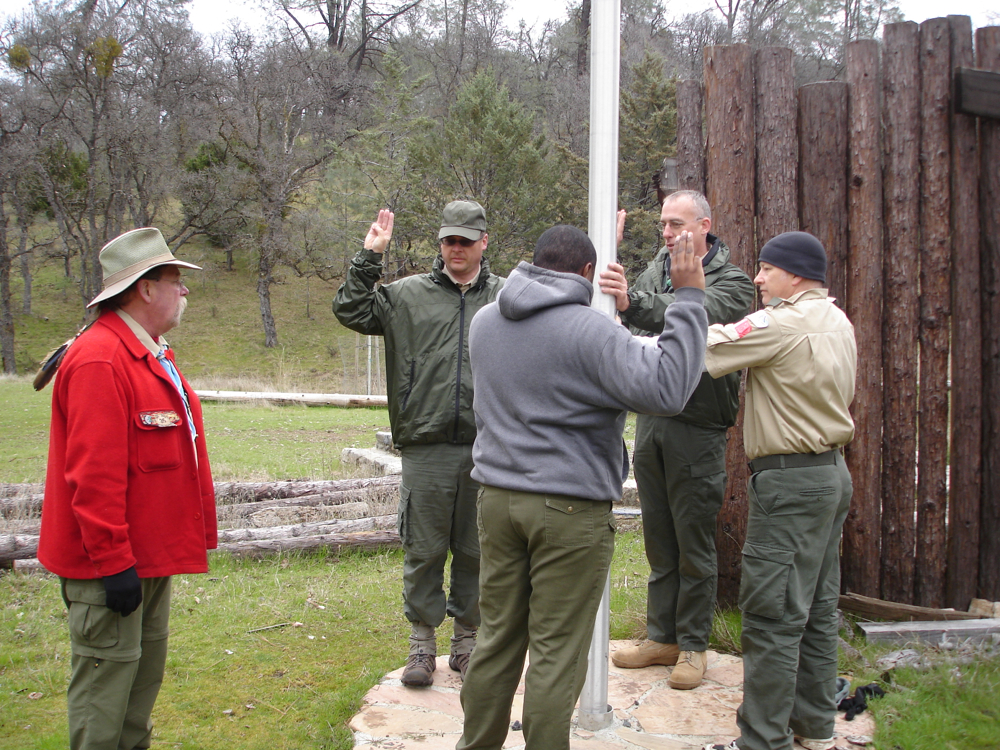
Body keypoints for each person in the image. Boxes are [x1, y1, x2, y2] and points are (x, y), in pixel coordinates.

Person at [458, 224, 708, 750]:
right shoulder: (592, 332)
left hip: (496, 502)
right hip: (569, 510)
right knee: (556, 651)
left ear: (534, 262)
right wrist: (688, 298)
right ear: (588, 272)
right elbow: (668, 390)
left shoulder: (484, 321)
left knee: (496, 639)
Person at [38, 227, 218, 750]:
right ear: (144, 288)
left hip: (147, 561)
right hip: (112, 568)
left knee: (137, 697)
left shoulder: (147, 352)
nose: (184, 289)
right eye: (175, 279)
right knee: (104, 703)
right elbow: (93, 477)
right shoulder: (101, 358)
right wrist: (113, 562)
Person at [332, 201, 503, 686]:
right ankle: (422, 645)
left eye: (465, 241)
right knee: (423, 549)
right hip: (425, 445)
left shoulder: (507, 297)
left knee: (477, 549)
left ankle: (467, 642)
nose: (456, 249)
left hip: (488, 447)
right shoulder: (406, 295)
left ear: (483, 242)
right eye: (449, 240)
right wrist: (370, 257)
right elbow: (350, 309)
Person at [699, 231, 857, 750]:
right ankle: (814, 727)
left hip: (790, 485)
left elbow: (706, 348)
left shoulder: (781, 323)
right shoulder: (837, 320)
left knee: (771, 615)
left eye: (767, 269)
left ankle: (763, 740)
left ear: (795, 275)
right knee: (815, 609)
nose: (759, 279)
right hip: (830, 476)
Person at [608, 190, 754, 689]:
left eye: (677, 224)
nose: (668, 233)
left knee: (693, 543)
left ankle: (693, 644)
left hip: (698, 426)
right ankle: (661, 636)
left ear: (704, 226)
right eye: (664, 225)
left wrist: (635, 302)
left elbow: (691, 310)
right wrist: (613, 257)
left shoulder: (733, 282)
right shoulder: (657, 269)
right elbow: (630, 304)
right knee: (659, 540)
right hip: (653, 419)